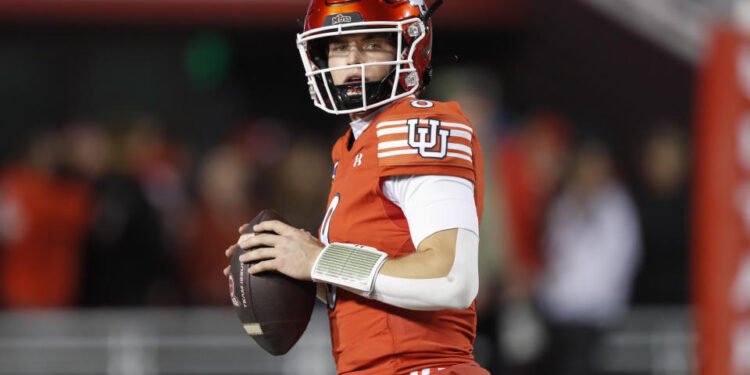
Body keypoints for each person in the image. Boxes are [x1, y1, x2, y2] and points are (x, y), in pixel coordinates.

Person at [224, 1, 488, 374]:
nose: (352, 61)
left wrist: (319, 260)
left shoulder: (417, 126)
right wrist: (287, 260)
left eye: (371, 45)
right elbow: (372, 286)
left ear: (409, 49)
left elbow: (450, 278)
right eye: (339, 46)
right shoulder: (351, 149)